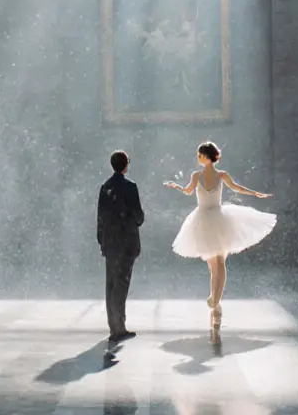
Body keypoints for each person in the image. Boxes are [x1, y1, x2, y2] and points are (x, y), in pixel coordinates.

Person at [165, 142, 275, 340]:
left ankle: (215, 300)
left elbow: (236, 188)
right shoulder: (202, 176)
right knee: (215, 263)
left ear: (207, 156)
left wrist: (254, 193)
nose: (198, 158)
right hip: (207, 218)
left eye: (200, 155)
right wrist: (176, 186)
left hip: (215, 217)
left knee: (218, 263)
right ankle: (215, 299)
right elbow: (193, 190)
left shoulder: (209, 175)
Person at [97, 150, 144, 343]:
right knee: (122, 283)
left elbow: (100, 217)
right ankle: (119, 327)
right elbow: (138, 216)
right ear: (126, 165)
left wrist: (102, 239)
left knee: (111, 283)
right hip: (126, 242)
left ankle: (113, 327)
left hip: (110, 242)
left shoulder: (105, 186)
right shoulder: (130, 186)